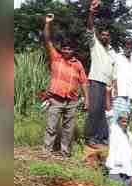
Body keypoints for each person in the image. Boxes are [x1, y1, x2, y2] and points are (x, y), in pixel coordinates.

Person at [42, 13, 89, 156]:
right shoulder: (56, 58)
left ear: (73, 50)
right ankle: (46, 152)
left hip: (72, 101)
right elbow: (46, 39)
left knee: (68, 129)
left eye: (69, 48)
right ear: (61, 49)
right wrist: (48, 23)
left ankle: (64, 153)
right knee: (51, 127)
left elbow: (84, 83)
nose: (66, 51)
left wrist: (87, 100)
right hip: (55, 99)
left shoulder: (78, 64)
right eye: (64, 48)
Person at [84, 0, 117, 147]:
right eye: (102, 34)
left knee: (106, 112)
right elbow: (90, 28)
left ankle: (102, 138)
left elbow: (116, 70)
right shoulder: (94, 44)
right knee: (95, 109)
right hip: (96, 81)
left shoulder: (113, 52)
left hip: (109, 85)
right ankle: (90, 137)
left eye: (107, 35)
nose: (104, 37)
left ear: (110, 37)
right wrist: (92, 12)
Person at [104, 87, 132, 186]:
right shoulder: (114, 129)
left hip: (128, 173)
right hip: (116, 171)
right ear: (118, 120)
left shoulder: (130, 135)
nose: (125, 122)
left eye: (126, 120)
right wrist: (108, 93)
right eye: (122, 120)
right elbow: (109, 112)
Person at [111, 38, 132, 123]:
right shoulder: (118, 57)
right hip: (120, 92)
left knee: (127, 118)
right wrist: (115, 89)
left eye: (131, 46)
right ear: (123, 47)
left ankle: (125, 135)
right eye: (127, 46)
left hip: (131, 93)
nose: (129, 48)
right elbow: (114, 75)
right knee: (116, 117)